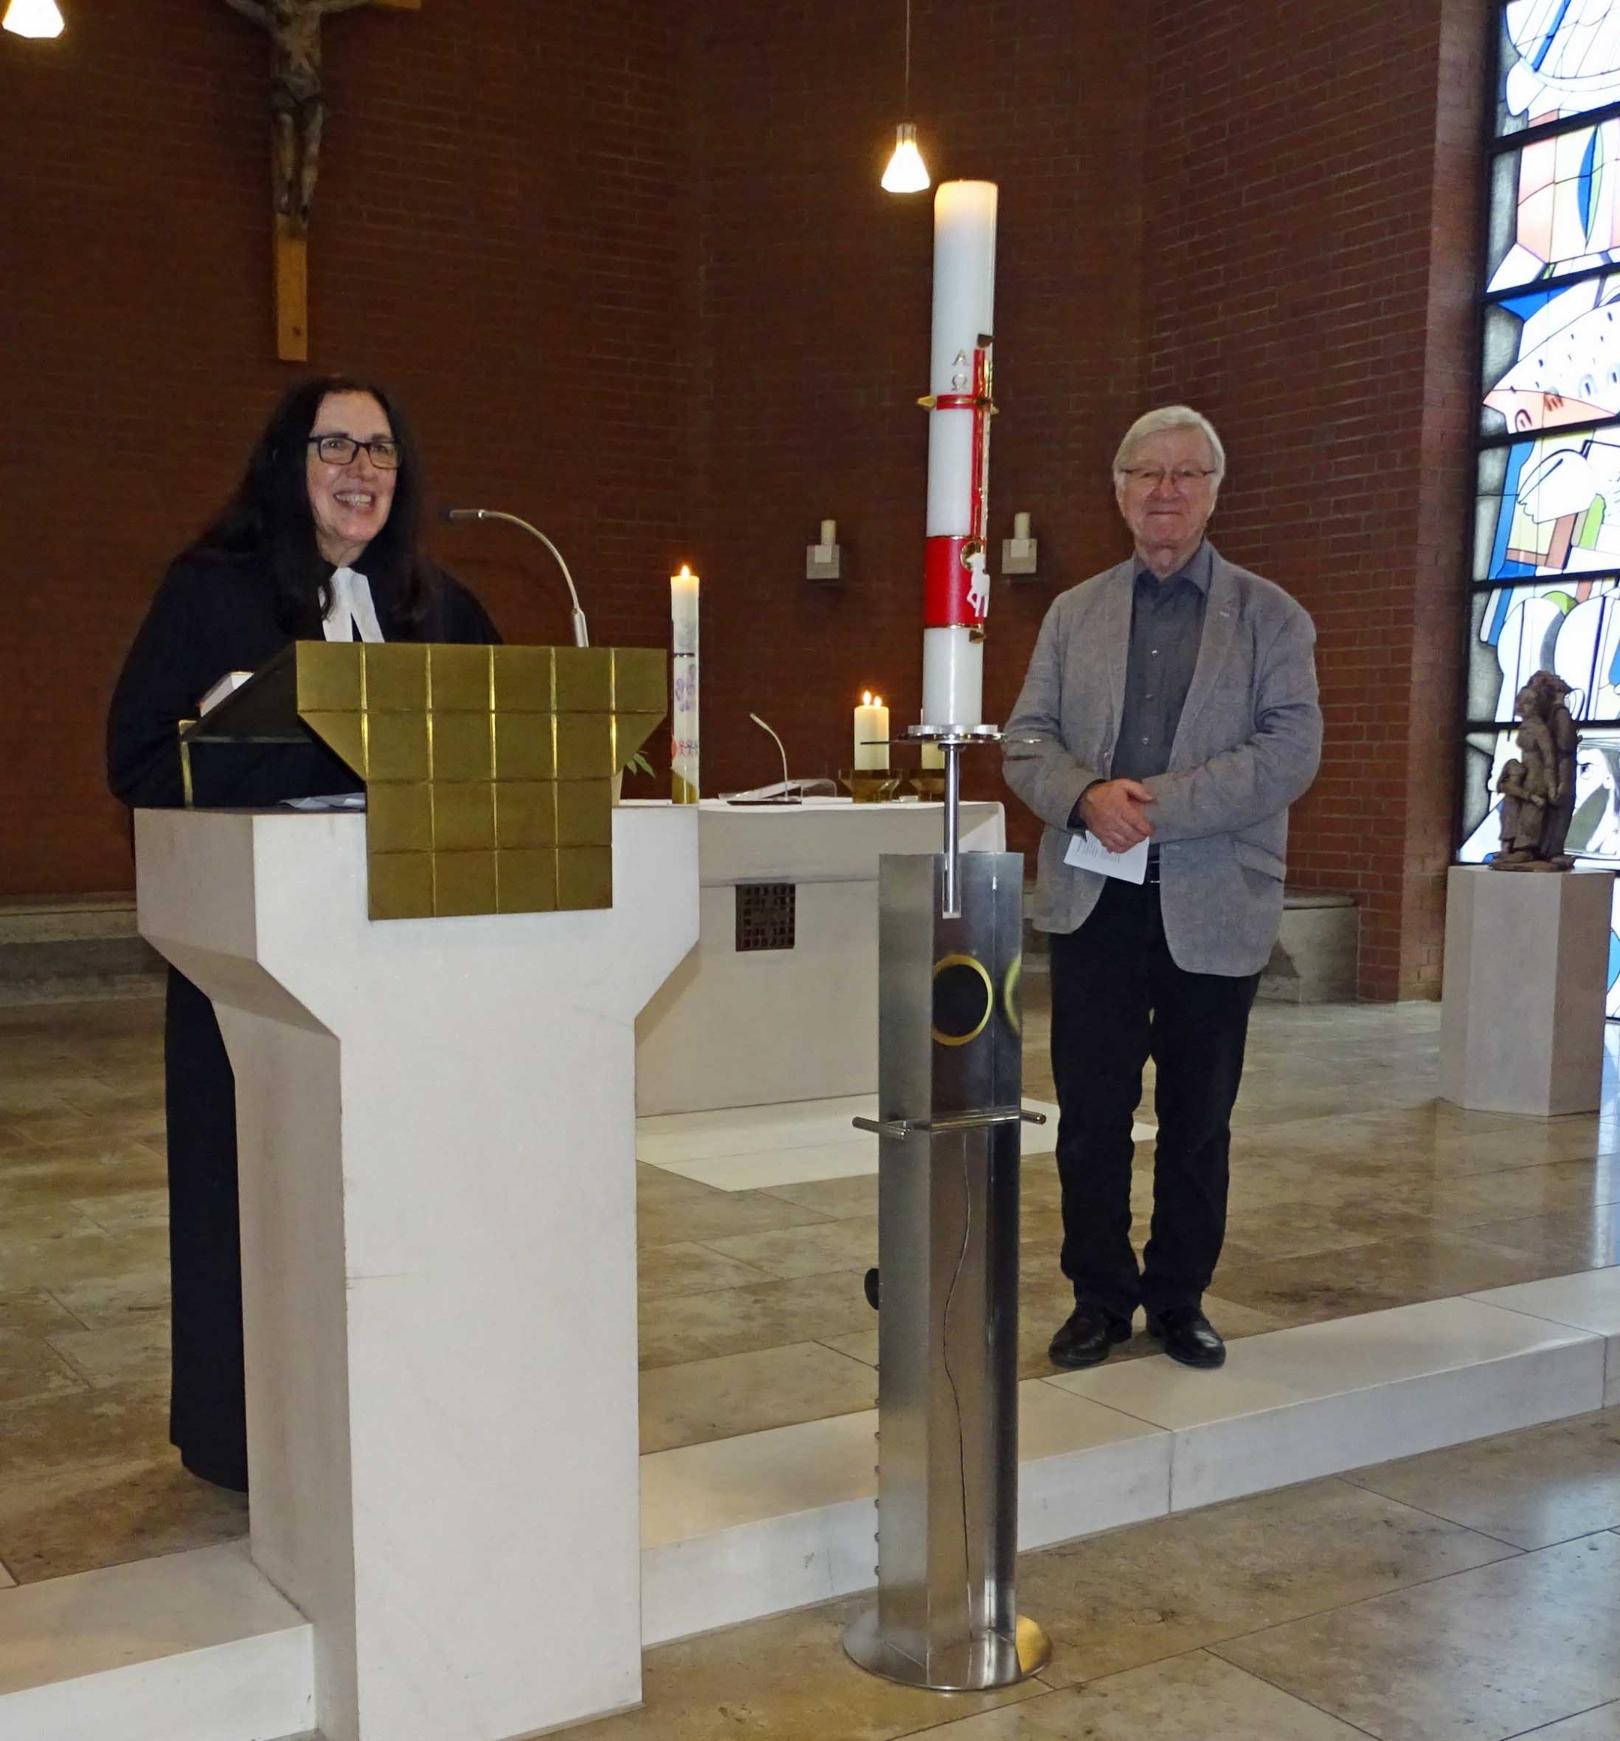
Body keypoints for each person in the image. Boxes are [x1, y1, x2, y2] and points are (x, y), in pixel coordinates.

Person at [107, 375, 499, 1489]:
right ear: (290, 462)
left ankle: (402, 1407)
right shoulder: (213, 593)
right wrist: (318, 753)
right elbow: (137, 759)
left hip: (412, 965)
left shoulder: (435, 602)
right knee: (257, 1205)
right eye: (337, 445)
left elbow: (505, 739)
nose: (362, 470)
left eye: (381, 450)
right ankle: (250, 1435)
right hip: (257, 972)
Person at [1003, 406, 1321, 1372]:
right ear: (1120, 492)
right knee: (1091, 1114)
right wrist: (1085, 796)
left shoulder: (1272, 616)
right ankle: (1099, 1296)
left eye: (1187, 474)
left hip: (1211, 900)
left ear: (1216, 491)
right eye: (1148, 473)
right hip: (1095, 901)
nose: (1167, 491)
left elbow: (1290, 750)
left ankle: (1179, 1296)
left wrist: (1155, 807)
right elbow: (1025, 740)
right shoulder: (1074, 613)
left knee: (1197, 1116)